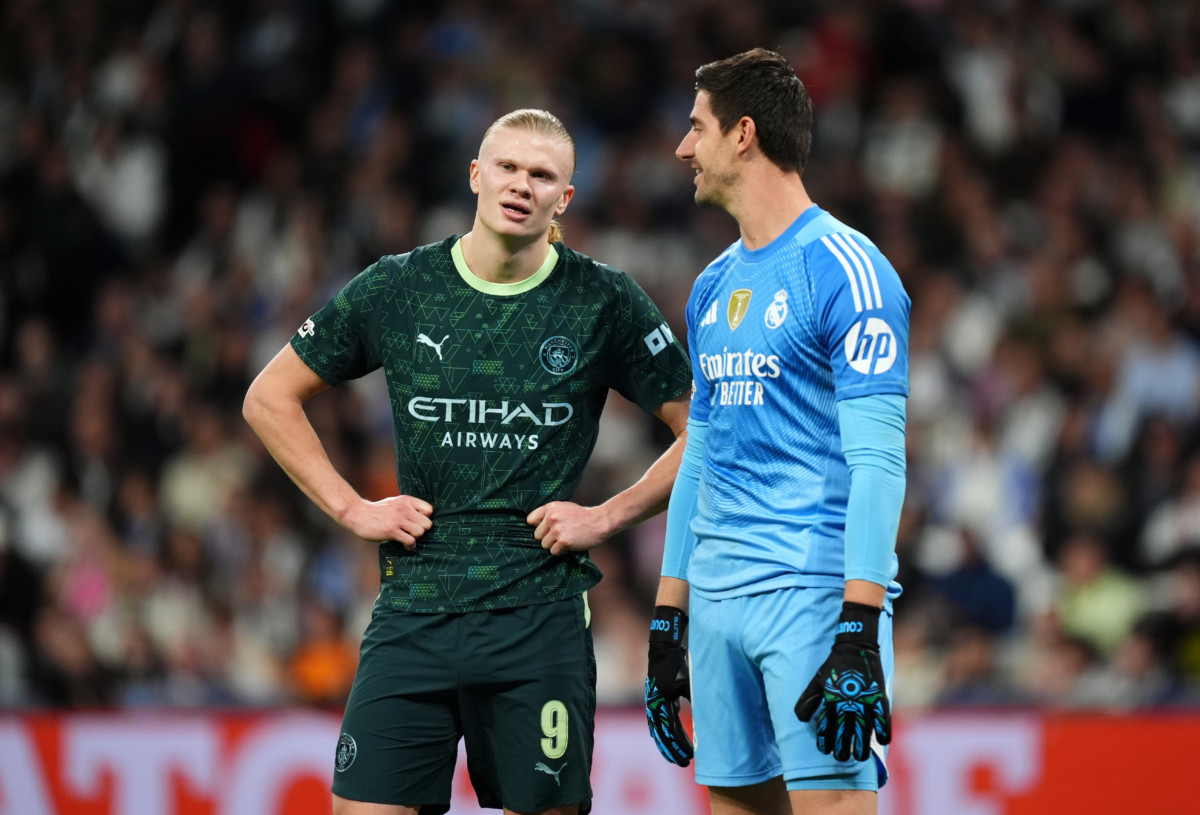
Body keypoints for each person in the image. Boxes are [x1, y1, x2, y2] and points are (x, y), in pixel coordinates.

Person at [244, 108, 693, 815]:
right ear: (476, 175)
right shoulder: (400, 287)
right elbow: (270, 397)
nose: (522, 184)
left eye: (542, 174)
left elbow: (701, 427)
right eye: (508, 167)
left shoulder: (604, 300)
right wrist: (351, 506)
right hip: (415, 605)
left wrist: (607, 514)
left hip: (537, 617)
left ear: (564, 198)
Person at [644, 50, 910, 815]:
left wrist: (858, 621)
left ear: (744, 134)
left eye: (697, 127)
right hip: (718, 605)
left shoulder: (848, 270)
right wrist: (671, 611)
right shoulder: (711, 286)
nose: (683, 147)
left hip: (813, 598)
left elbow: (878, 461)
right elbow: (703, 454)